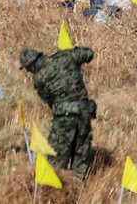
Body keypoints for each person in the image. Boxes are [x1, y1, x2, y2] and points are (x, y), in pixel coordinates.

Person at [21, 46, 96, 178]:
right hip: (85, 112)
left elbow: (49, 101)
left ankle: (53, 191)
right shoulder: (66, 56)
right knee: (81, 154)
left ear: (31, 66)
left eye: (28, 69)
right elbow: (89, 53)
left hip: (64, 116)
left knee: (55, 158)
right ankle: (78, 186)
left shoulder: (39, 79)